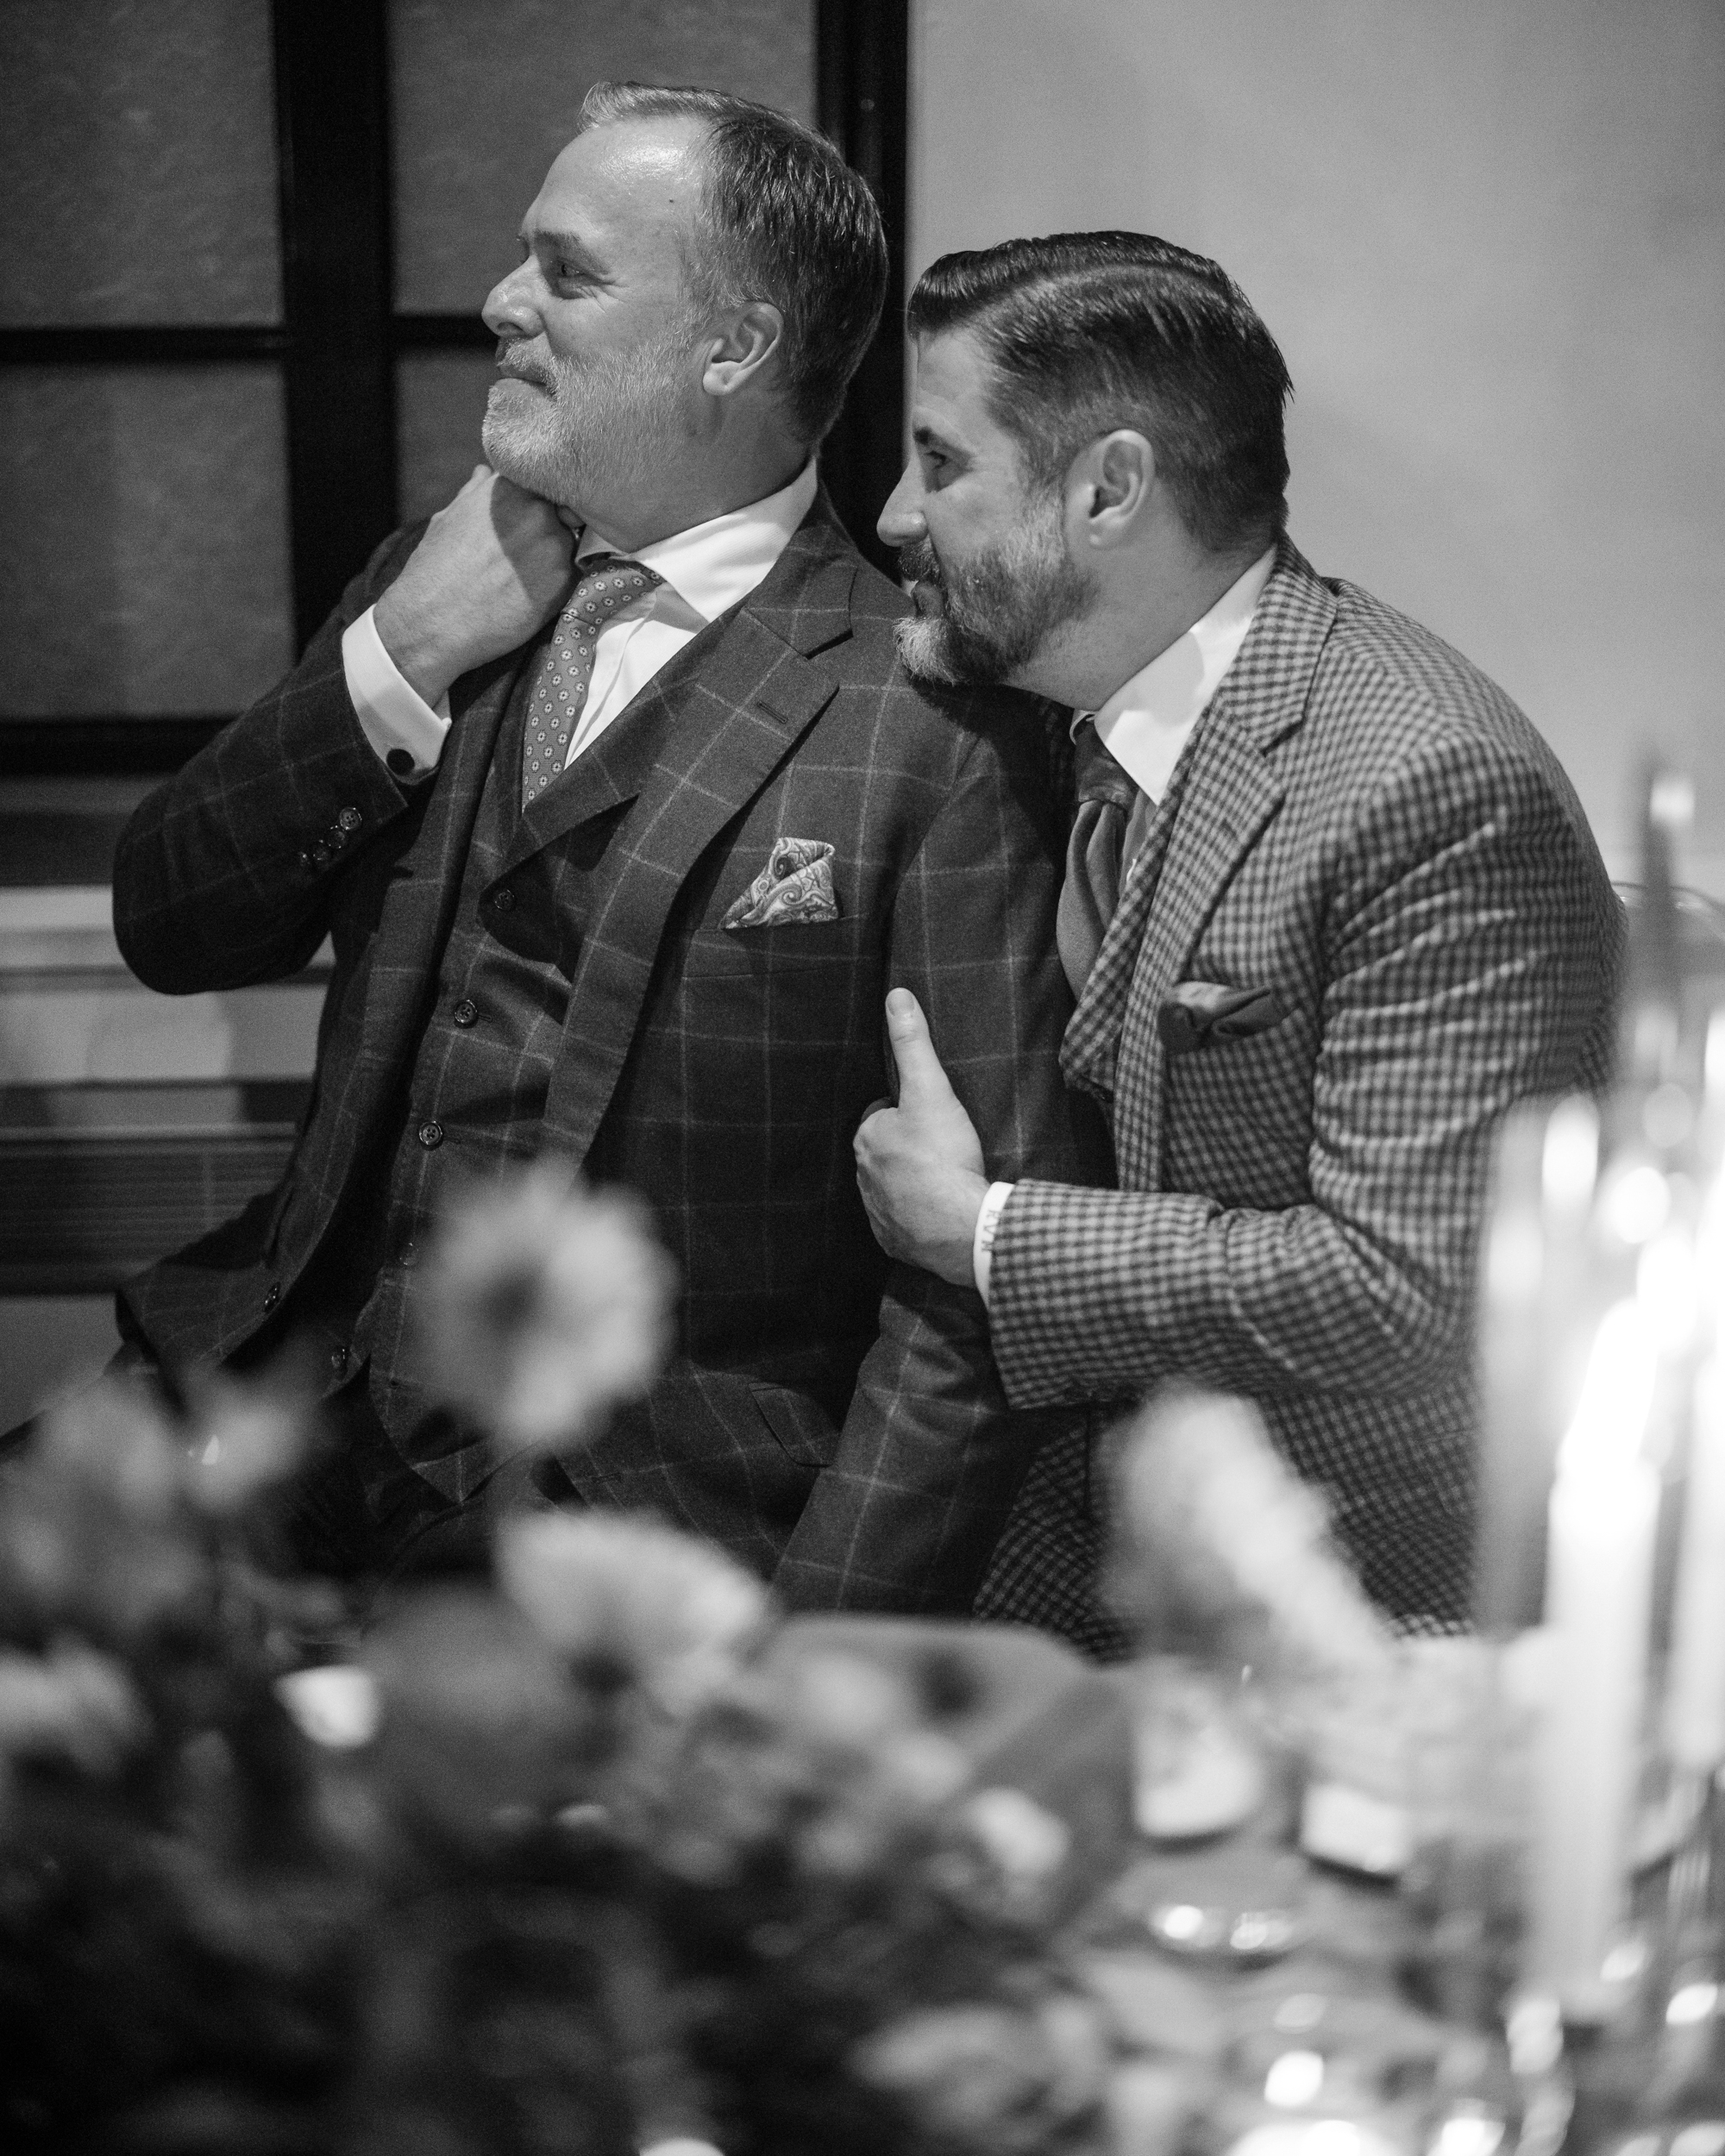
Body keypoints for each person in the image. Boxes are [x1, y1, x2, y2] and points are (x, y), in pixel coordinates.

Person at [110, 85, 1090, 1611]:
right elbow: (171, 927)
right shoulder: (429, 589)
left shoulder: (932, 720)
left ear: (734, 347)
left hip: (632, 1518)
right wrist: (402, 650)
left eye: (567, 275)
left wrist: (801, 1668)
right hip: (262, 1412)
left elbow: (963, 1296)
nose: (500, 304)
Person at [853, 230, 1622, 1636]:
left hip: (1366, 1613)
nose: (896, 514)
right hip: (1077, 1549)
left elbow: (1403, 1287)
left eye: (943, 462)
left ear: (1109, 489)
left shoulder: (1431, 786)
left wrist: (984, 1234)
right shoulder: (1057, 720)